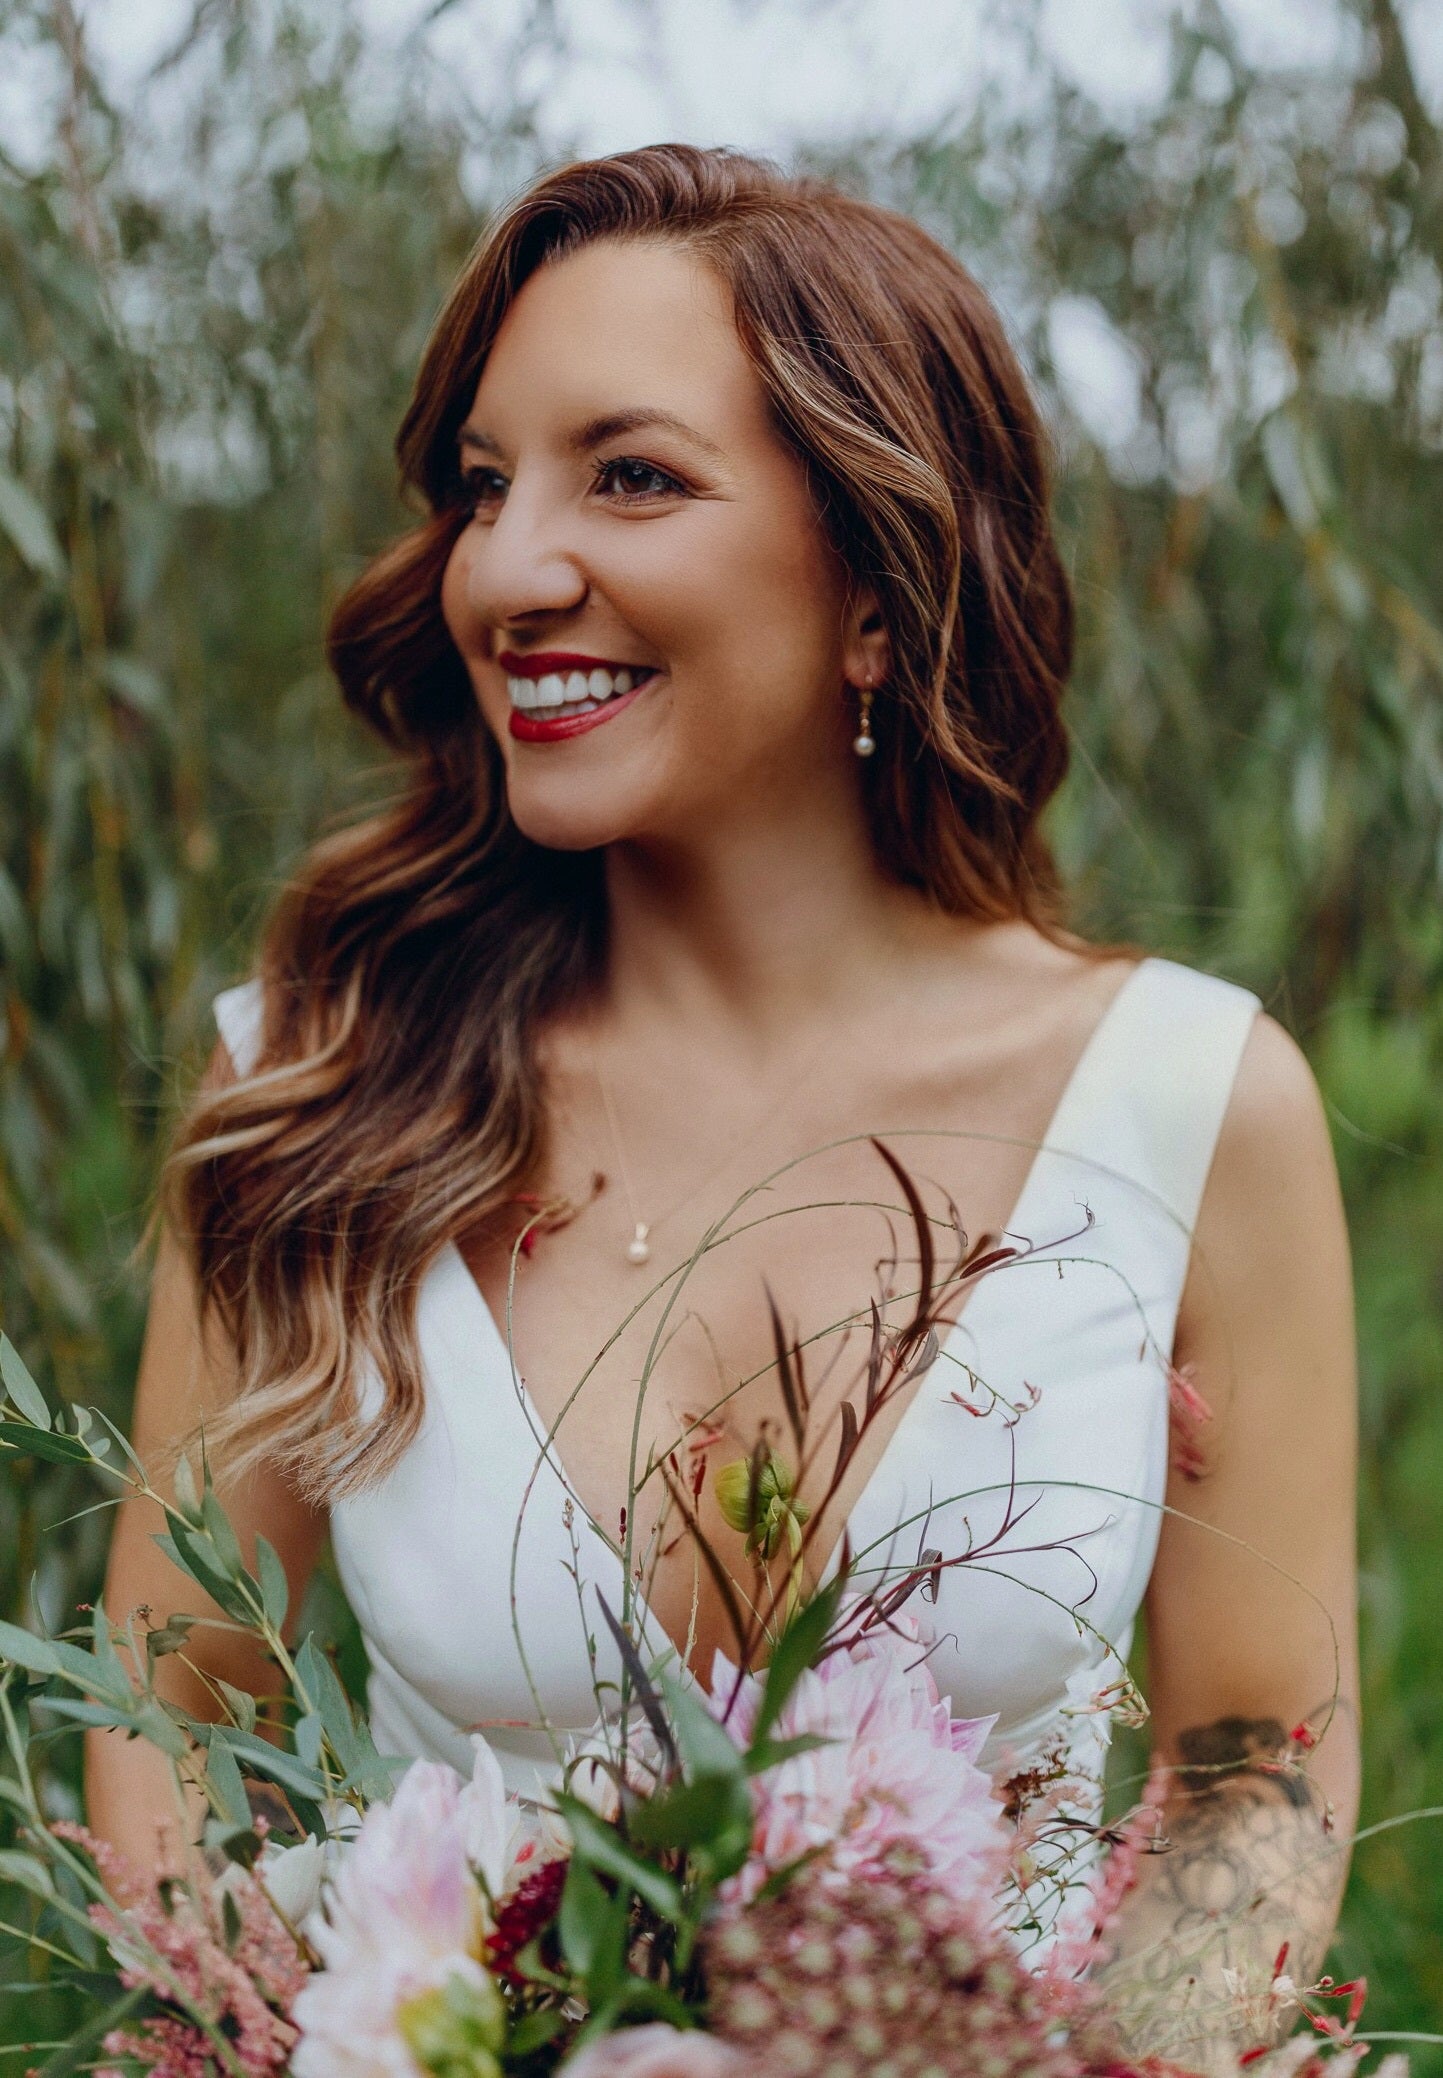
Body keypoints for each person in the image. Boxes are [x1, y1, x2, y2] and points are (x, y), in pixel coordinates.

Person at [88, 145, 1357, 2063]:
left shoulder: (1192, 1103)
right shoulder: (315, 1085)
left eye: (634, 475)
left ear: (875, 582)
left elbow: (1249, 1768)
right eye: (484, 486)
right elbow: (170, 1716)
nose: (510, 569)